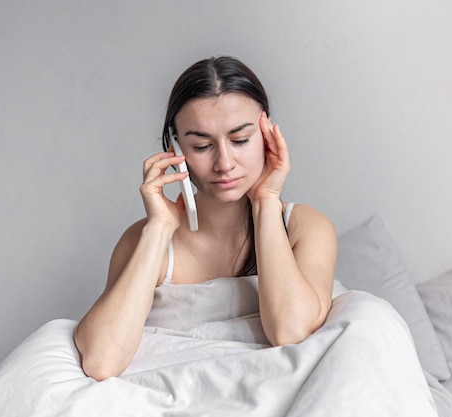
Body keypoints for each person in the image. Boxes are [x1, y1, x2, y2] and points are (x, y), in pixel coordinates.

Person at [73, 56, 338, 382]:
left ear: (268, 134)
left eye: (241, 140)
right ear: (174, 147)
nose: (224, 163)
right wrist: (159, 230)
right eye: (201, 146)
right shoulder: (142, 240)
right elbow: (101, 360)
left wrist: (266, 202)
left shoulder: (305, 227)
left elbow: (291, 332)